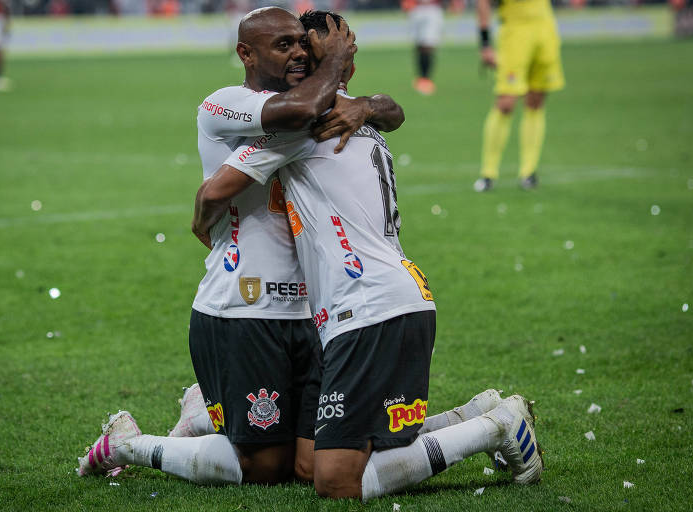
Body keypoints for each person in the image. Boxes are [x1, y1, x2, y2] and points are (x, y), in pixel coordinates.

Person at [193, 10, 544, 501]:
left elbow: (217, 190)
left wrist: (201, 218)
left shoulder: (309, 127)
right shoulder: (352, 115)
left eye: (306, 55)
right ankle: (468, 419)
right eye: (290, 50)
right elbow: (392, 110)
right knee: (310, 460)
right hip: (374, 299)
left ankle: (494, 428)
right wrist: (364, 96)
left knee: (334, 481)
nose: (299, 60)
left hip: (368, 303)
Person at [77, 7, 400, 487]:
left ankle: (204, 414)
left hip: (317, 309)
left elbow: (391, 111)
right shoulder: (228, 102)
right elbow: (290, 121)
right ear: (246, 53)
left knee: (309, 462)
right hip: (246, 308)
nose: (297, 53)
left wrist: (367, 103)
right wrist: (336, 63)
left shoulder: (320, 103)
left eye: (301, 44)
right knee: (265, 468)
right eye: (283, 44)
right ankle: (126, 443)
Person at [473, 0, 565, 191]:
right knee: (505, 103)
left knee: (536, 102)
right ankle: (488, 173)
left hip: (545, 27)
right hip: (515, 31)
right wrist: (485, 44)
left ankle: (528, 172)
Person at [402, 0, 443, 95]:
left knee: (428, 45)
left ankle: (426, 78)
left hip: (432, 8)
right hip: (416, 8)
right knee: (419, 46)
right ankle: (421, 78)